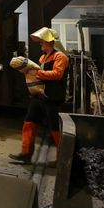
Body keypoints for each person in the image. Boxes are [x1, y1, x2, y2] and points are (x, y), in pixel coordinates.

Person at [9, 26, 69, 164]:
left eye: (42, 41)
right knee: (29, 122)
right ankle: (26, 153)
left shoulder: (60, 57)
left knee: (55, 128)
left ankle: (63, 159)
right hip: (39, 96)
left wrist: (36, 73)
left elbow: (57, 74)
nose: (40, 43)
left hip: (52, 98)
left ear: (51, 42)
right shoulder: (43, 57)